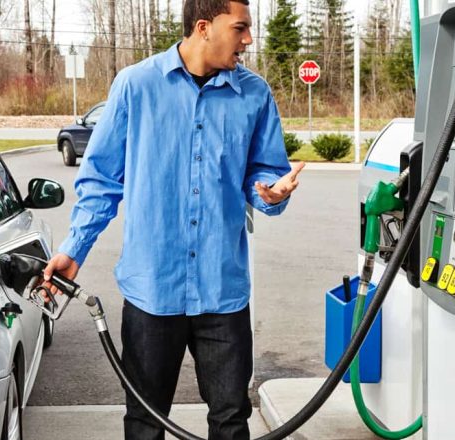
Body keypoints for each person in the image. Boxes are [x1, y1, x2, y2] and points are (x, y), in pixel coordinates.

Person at [43, 0, 304, 438]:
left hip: (223, 293)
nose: (248, 39)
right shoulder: (135, 86)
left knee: (230, 420)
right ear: (204, 27)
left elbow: (263, 173)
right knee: (145, 422)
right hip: (152, 293)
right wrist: (74, 248)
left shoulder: (255, 95)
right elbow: (102, 180)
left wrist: (271, 193)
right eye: (240, 28)